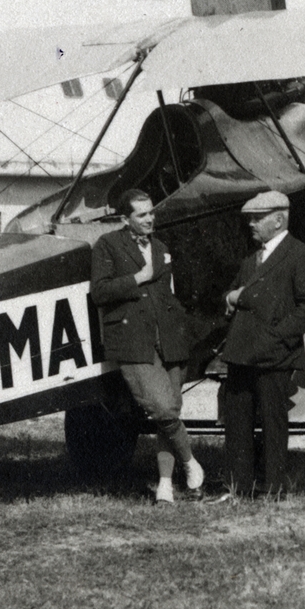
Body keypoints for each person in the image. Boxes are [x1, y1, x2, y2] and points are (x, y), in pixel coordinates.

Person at [89, 189, 205, 504]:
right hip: (133, 343)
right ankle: (190, 461)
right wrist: (138, 277)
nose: (150, 218)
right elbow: (98, 292)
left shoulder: (161, 248)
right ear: (125, 219)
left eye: (151, 211)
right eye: (141, 214)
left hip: (168, 340)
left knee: (171, 412)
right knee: (163, 408)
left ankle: (165, 485)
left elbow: (168, 293)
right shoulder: (107, 245)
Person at [218, 190, 305, 500]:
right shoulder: (252, 259)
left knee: (273, 423)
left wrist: (277, 337)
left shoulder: (300, 255)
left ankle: (273, 488)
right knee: (237, 422)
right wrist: (229, 297)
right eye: (250, 218)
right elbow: (238, 294)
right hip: (241, 353)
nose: (251, 223)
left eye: (257, 218)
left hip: (274, 355)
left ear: (278, 220)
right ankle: (238, 487)